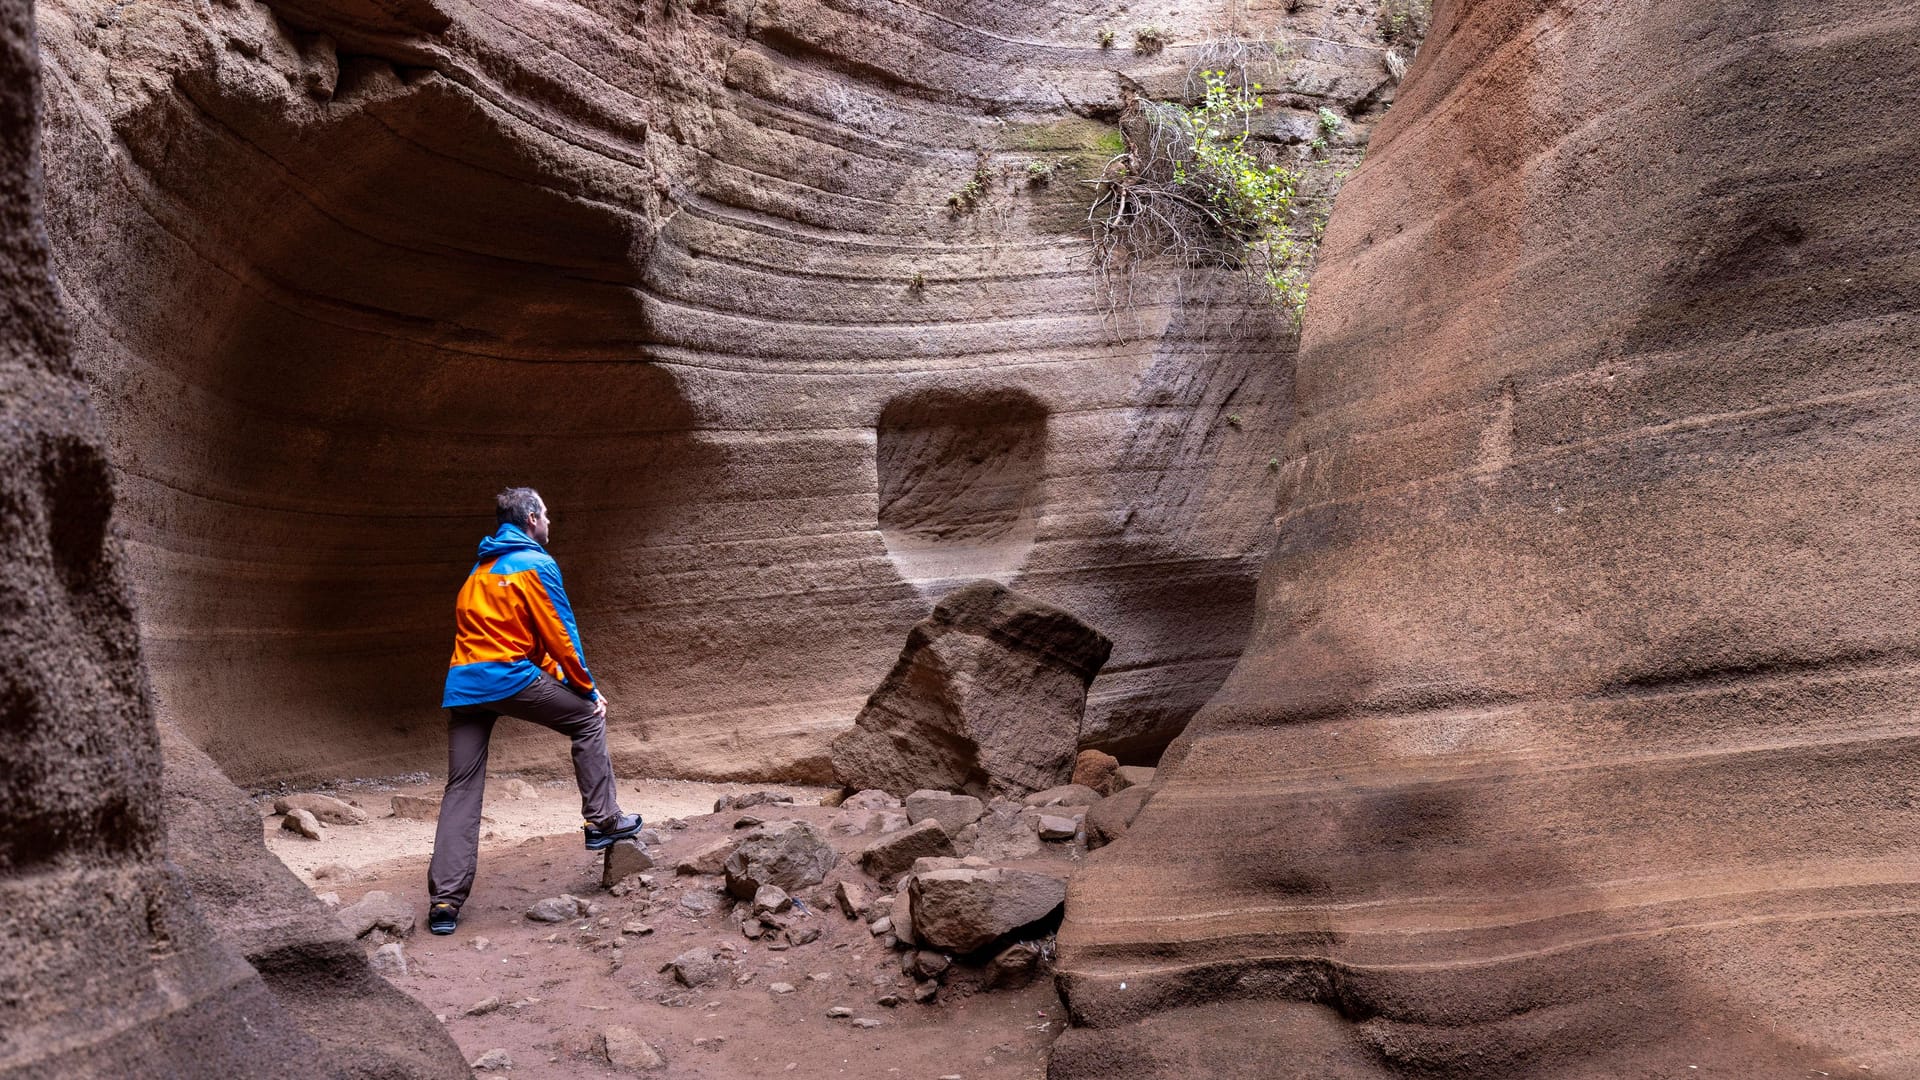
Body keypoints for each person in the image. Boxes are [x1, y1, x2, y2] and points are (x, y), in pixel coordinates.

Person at [425, 487, 641, 935]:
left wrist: (563, 680)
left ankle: (445, 900)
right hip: (507, 677)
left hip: (466, 685)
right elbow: (561, 636)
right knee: (586, 718)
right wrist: (587, 690)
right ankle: (603, 821)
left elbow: (527, 642)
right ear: (530, 517)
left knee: (461, 786)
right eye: (546, 514)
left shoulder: (479, 570)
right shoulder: (536, 564)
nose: (550, 522)